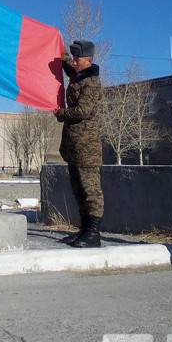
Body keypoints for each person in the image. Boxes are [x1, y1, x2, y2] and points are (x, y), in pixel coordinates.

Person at [55, 39, 103, 247]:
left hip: (87, 146)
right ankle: (84, 230)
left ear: (89, 60)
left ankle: (93, 233)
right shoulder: (77, 75)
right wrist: (56, 42)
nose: (74, 61)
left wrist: (61, 113)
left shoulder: (91, 82)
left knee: (90, 190)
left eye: (78, 58)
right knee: (78, 189)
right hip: (74, 144)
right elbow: (66, 62)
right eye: (74, 57)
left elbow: (83, 111)